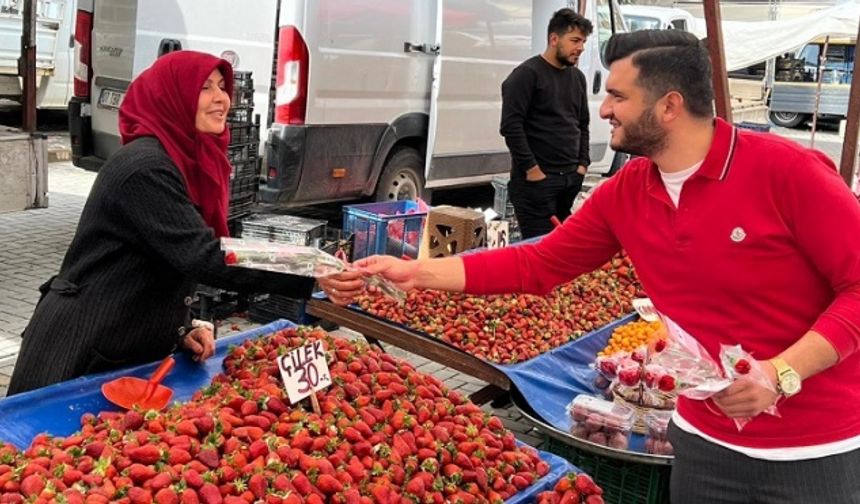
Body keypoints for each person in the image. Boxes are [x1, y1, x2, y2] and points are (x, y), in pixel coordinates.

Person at [336, 30, 860, 503]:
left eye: (618, 96)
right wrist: (416, 273)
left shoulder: (786, 172)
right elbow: (538, 263)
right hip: (703, 442)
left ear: (669, 106)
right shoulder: (628, 192)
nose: (604, 109)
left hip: (814, 451)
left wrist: (780, 373)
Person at [8, 51, 355, 395]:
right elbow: (202, 255)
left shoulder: (180, 160)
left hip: (124, 345)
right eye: (205, 88)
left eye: (223, 87)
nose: (222, 98)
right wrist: (306, 271)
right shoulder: (145, 168)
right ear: (171, 96)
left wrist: (180, 327)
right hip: (84, 347)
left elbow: (166, 255)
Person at [499, 8, 593, 239]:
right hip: (536, 182)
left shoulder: (577, 77)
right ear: (554, 39)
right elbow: (511, 127)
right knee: (539, 251)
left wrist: (582, 165)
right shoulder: (526, 75)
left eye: (583, 41)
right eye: (575, 40)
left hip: (570, 179)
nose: (580, 47)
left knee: (565, 249)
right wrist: (532, 169)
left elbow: (582, 124)